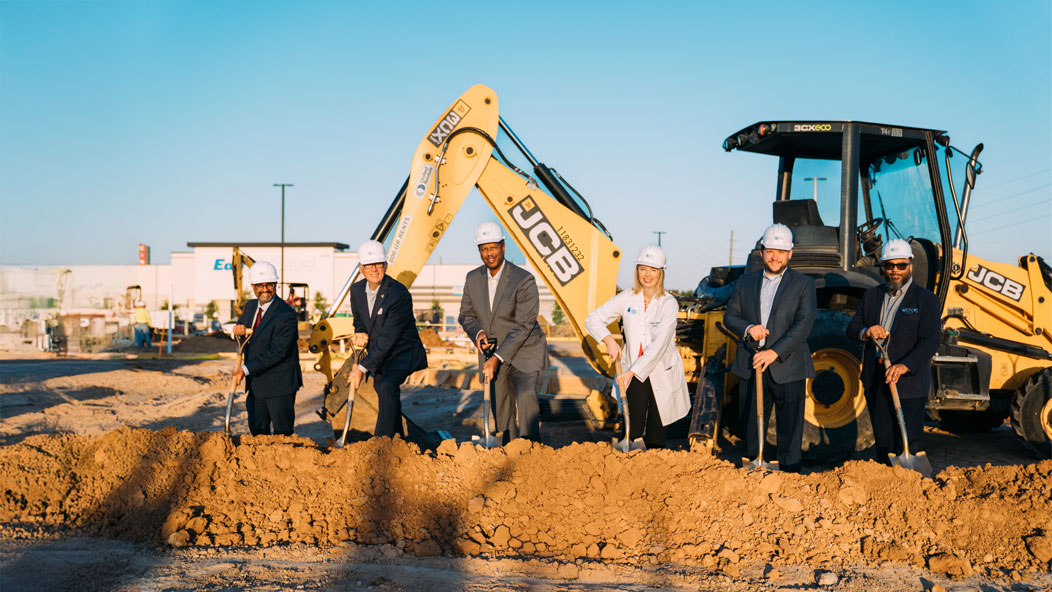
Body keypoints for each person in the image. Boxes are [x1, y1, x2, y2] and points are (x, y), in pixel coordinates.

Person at [723, 223, 817, 473]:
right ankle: (755, 465)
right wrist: (747, 328)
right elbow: (729, 316)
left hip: (787, 364)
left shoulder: (803, 284)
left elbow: (804, 323)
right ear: (762, 252)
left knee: (790, 424)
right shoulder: (745, 283)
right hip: (752, 364)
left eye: (781, 251)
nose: (775, 257)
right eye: (770, 251)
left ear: (790, 254)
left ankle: (790, 469)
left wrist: (774, 351)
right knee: (752, 423)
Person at [585, 245, 690, 449]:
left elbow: (658, 346)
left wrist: (632, 372)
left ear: (661, 273)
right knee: (632, 426)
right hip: (632, 370)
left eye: (653, 270)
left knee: (656, 432)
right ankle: (629, 466)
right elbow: (593, 319)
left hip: (660, 370)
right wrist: (608, 339)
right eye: (643, 269)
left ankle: (653, 469)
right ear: (637, 271)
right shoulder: (628, 297)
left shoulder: (669, 304)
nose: (647, 275)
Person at [847, 238, 940, 464]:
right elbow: (852, 328)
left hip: (908, 382)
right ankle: (886, 485)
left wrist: (904, 365)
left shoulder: (926, 299)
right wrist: (867, 331)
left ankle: (910, 487)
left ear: (910, 265)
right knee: (884, 441)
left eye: (900, 265)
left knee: (908, 440)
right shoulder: (871, 296)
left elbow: (930, 341)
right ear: (884, 267)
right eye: (890, 266)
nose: (895, 271)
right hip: (876, 377)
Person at [459, 221, 548, 444]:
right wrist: (478, 333)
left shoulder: (523, 279)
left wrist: (499, 357)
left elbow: (523, 325)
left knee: (526, 397)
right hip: (492, 354)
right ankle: (508, 450)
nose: (489, 254)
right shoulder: (472, 279)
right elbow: (466, 315)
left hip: (524, 351)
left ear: (503, 247)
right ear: (479, 251)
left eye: (493, 247)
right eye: (484, 249)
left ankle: (529, 448)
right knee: (500, 405)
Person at [347, 240, 428, 438]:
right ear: (361, 268)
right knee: (382, 387)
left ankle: (381, 441)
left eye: (378, 264)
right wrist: (360, 332)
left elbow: (388, 338)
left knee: (385, 385)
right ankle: (397, 437)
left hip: (402, 352)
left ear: (386, 265)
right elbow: (360, 319)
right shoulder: (356, 291)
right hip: (381, 353)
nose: (374, 269)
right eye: (369, 265)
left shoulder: (398, 294)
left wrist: (361, 368)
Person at [232, 261, 303, 436]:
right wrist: (238, 330)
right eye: (259, 285)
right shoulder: (250, 307)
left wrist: (245, 369)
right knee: (257, 432)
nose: (265, 289)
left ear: (275, 285)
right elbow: (244, 332)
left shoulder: (286, 314)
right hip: (256, 384)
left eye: (269, 285)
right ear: (252, 286)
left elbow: (278, 352)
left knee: (282, 433)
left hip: (280, 384)